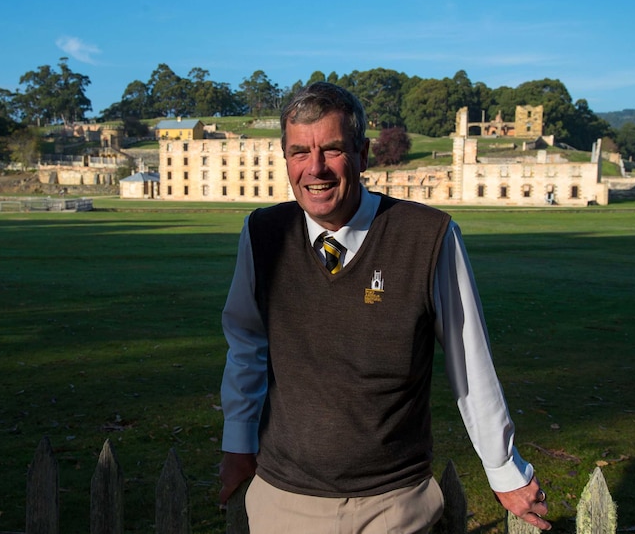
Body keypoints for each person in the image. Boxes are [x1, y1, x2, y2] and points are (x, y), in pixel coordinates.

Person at [219, 82, 550, 533]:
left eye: (332, 149)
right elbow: (246, 346)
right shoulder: (262, 234)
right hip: (284, 501)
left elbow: (469, 361)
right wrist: (238, 445)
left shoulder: (426, 236)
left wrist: (502, 467)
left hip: (395, 504)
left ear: (363, 154)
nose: (314, 169)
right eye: (299, 152)